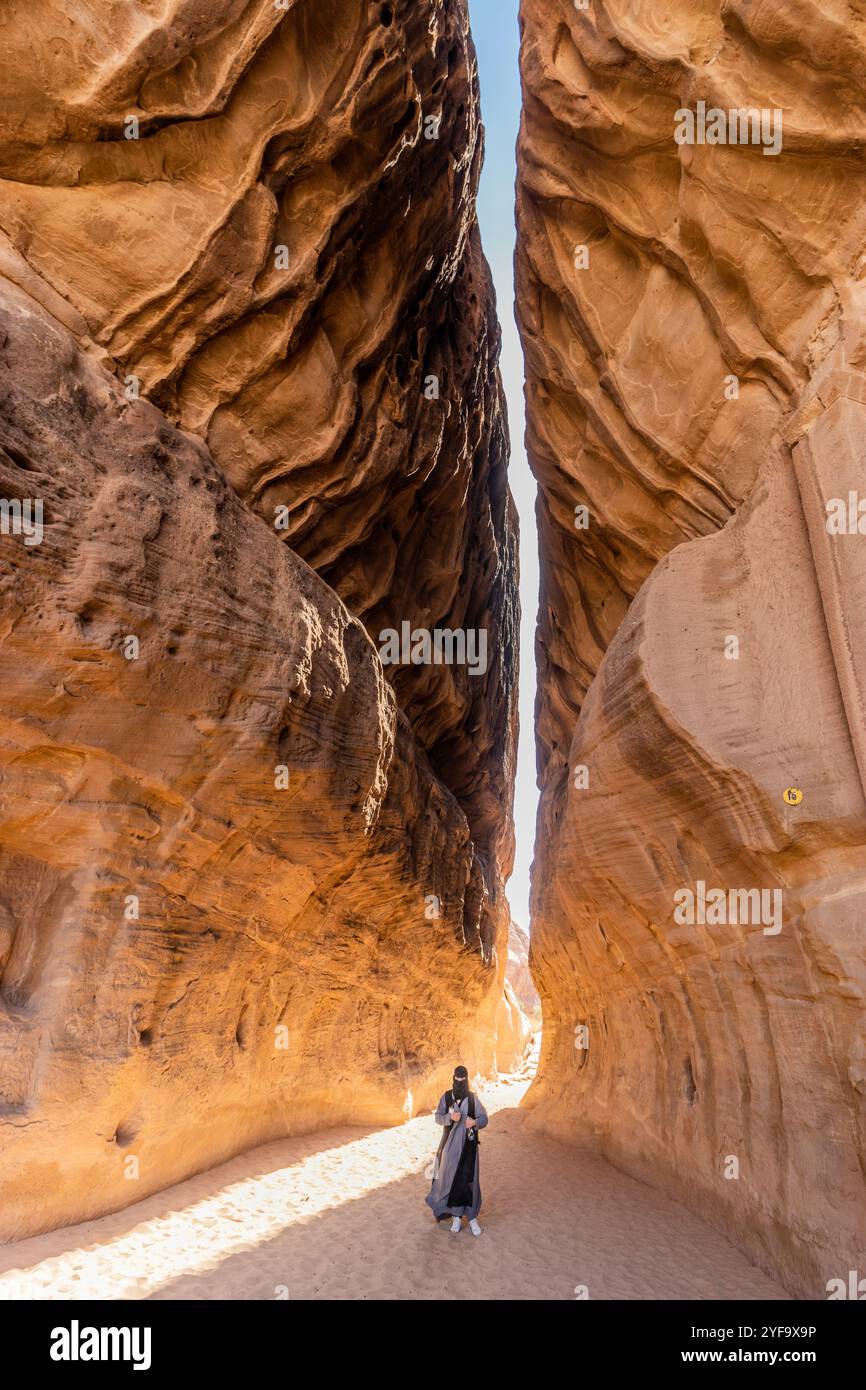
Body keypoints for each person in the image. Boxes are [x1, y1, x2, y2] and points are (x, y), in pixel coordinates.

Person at [425, 1065, 489, 1235]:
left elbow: (484, 1118)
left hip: (469, 1148)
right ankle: (456, 1217)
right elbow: (438, 1117)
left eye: (462, 1080)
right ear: (453, 1078)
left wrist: (475, 1123)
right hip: (449, 1148)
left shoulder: (473, 1099)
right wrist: (449, 1118)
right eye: (457, 1079)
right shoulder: (446, 1097)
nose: (459, 1082)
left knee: (470, 1181)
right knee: (449, 1180)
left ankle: (472, 1217)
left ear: (466, 1080)